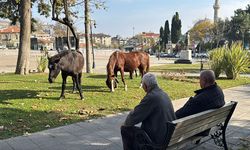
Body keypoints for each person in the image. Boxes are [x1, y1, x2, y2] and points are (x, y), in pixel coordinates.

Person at [120, 73, 176, 150]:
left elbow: (132, 119)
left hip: (158, 141)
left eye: (143, 84)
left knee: (125, 129)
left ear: (145, 86)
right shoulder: (164, 94)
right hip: (169, 136)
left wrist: (124, 123)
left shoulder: (151, 97)